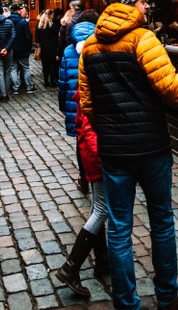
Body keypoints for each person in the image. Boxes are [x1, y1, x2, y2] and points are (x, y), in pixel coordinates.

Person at [78, 0, 178, 310]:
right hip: (151, 147)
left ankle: (126, 302)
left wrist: (110, 127)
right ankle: (168, 295)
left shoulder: (91, 46)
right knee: (161, 221)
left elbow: (87, 103)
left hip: (114, 150)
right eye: (143, 0)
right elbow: (170, 86)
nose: (147, 5)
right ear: (130, 3)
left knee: (121, 228)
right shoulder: (143, 39)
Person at [54, 107, 110, 297]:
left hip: (93, 155)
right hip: (97, 156)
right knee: (101, 210)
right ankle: (71, 267)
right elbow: (89, 128)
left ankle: (102, 261)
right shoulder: (93, 88)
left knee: (98, 208)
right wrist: (104, 154)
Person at [59, 14, 97, 194]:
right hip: (97, 101)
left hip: (75, 102)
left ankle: (83, 177)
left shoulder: (68, 51)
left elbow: (63, 82)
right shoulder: (101, 46)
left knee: (81, 141)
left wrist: (62, 105)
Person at [8, 2, 34, 94]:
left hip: (11, 48)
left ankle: (15, 88)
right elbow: (28, 36)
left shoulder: (7, 21)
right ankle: (29, 87)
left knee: (13, 69)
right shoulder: (23, 22)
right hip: (22, 48)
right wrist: (29, 47)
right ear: (18, 11)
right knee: (26, 68)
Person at [35, 9, 61, 88]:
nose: (53, 16)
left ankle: (46, 81)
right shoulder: (53, 25)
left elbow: (37, 38)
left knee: (45, 65)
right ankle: (52, 81)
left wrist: (39, 43)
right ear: (50, 15)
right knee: (53, 64)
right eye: (52, 14)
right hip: (53, 47)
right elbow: (58, 37)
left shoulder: (40, 26)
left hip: (44, 48)